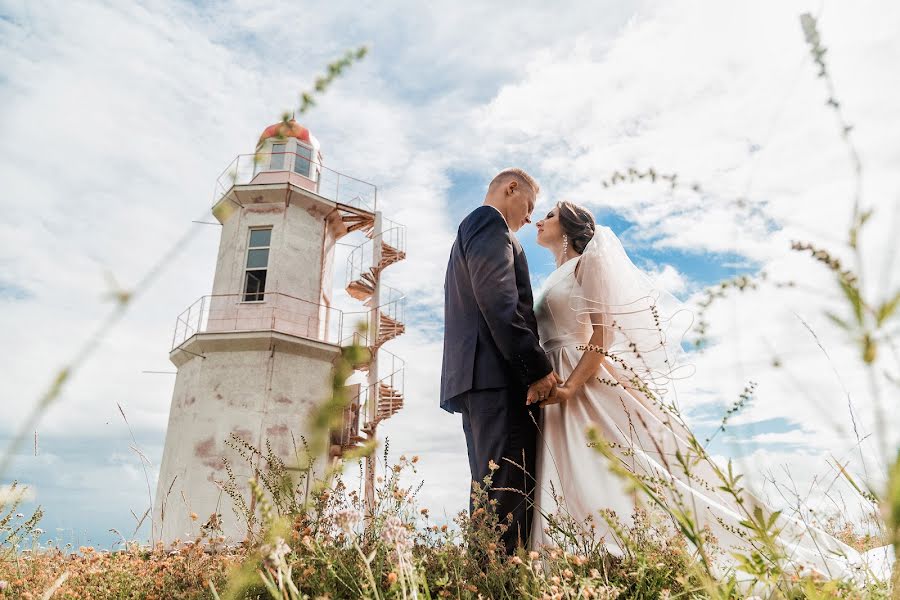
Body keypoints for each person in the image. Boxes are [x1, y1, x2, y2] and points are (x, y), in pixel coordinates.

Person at [528, 200, 894, 584]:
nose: (539, 220)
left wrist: (571, 386)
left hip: (581, 379)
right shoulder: (553, 276)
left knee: (625, 465)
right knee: (575, 467)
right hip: (555, 377)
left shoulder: (588, 265)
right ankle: (579, 559)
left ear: (569, 228)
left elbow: (604, 334)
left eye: (549, 215)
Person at [440, 168, 559, 554]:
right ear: (511, 189)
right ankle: (499, 586)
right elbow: (499, 302)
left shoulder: (475, 230)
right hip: (499, 380)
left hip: (480, 380)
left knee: (490, 495)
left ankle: (483, 583)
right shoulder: (487, 223)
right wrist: (537, 369)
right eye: (529, 206)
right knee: (506, 495)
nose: (529, 218)